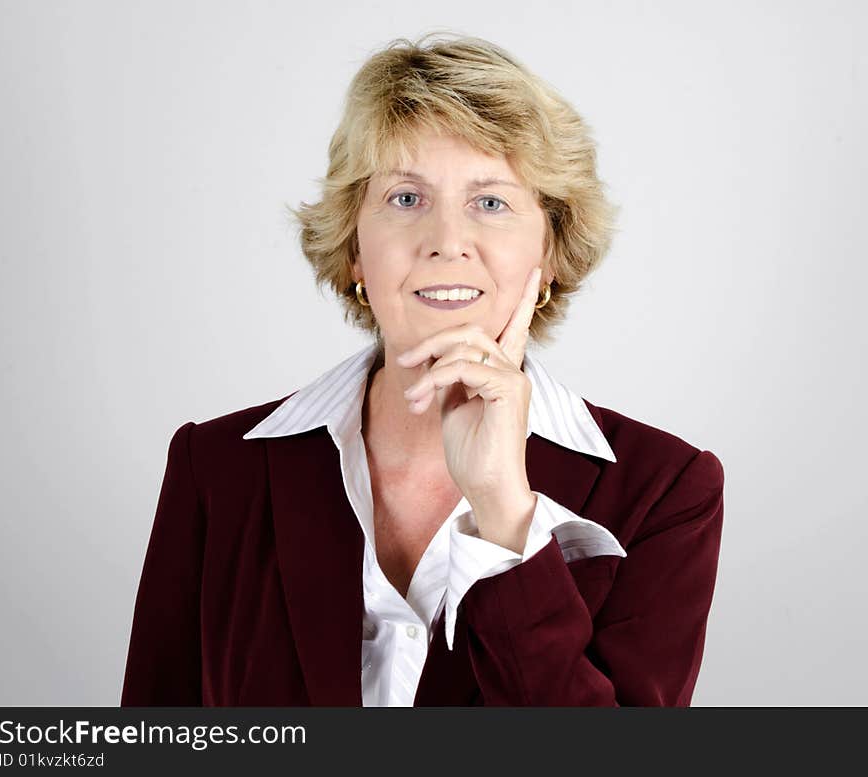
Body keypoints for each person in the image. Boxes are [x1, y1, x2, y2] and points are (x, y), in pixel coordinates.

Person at [121, 33, 724, 707]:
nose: (445, 240)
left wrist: (504, 512)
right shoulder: (216, 467)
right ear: (354, 248)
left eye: (490, 201)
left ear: (549, 253)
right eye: (406, 198)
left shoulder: (664, 491)